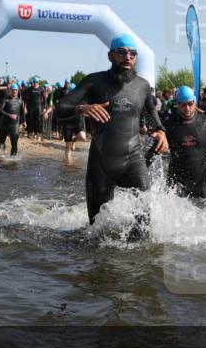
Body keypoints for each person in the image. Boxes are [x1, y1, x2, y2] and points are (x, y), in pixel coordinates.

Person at [53, 34, 168, 225]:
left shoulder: (143, 86)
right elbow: (59, 109)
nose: (128, 57)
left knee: (144, 223)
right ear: (110, 56)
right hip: (101, 163)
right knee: (96, 230)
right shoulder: (93, 82)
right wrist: (81, 108)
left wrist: (161, 130)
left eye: (132, 53)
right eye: (122, 52)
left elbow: (151, 113)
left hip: (133, 160)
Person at [160, 86, 206, 200]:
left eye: (190, 104)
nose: (187, 108)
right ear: (178, 104)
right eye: (183, 104)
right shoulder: (170, 124)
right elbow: (154, 150)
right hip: (175, 184)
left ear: (194, 101)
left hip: (200, 185)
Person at [0, 83, 25, 156]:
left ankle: (13, 159)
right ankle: (3, 154)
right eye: (13, 90)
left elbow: (22, 113)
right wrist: (9, 115)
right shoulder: (6, 100)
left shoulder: (20, 101)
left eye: (16, 90)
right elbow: (0, 110)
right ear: (10, 90)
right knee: (1, 142)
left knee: (14, 143)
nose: (14, 92)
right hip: (4, 124)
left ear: (18, 91)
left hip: (14, 125)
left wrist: (24, 121)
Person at [24, 76, 50, 141]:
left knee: (39, 121)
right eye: (34, 82)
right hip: (31, 107)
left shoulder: (41, 89)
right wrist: (25, 107)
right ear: (33, 82)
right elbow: (26, 99)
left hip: (39, 107)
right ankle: (30, 133)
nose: (35, 83)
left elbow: (45, 100)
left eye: (36, 82)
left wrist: (44, 108)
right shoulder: (29, 89)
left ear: (38, 82)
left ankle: (39, 134)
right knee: (31, 120)